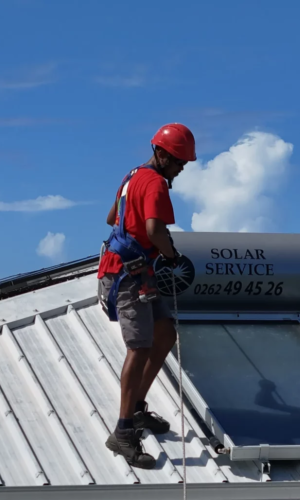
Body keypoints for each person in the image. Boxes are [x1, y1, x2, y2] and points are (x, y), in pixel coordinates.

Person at [98, 123, 196, 468]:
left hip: (132, 270)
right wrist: (171, 256)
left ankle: (136, 408)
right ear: (162, 155)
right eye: (179, 163)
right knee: (139, 348)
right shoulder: (154, 182)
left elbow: (113, 218)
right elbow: (155, 230)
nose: (181, 170)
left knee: (165, 333)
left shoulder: (132, 177)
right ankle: (123, 433)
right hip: (128, 276)